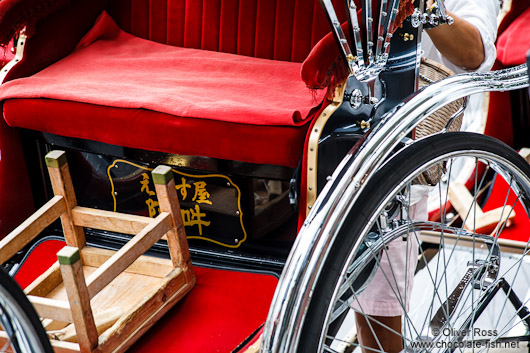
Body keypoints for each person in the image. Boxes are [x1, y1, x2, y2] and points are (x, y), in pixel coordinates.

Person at [353, 0, 500, 352]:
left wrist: (422, 6)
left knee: (376, 310)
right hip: (333, 98)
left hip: (398, 136)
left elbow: (475, 51)